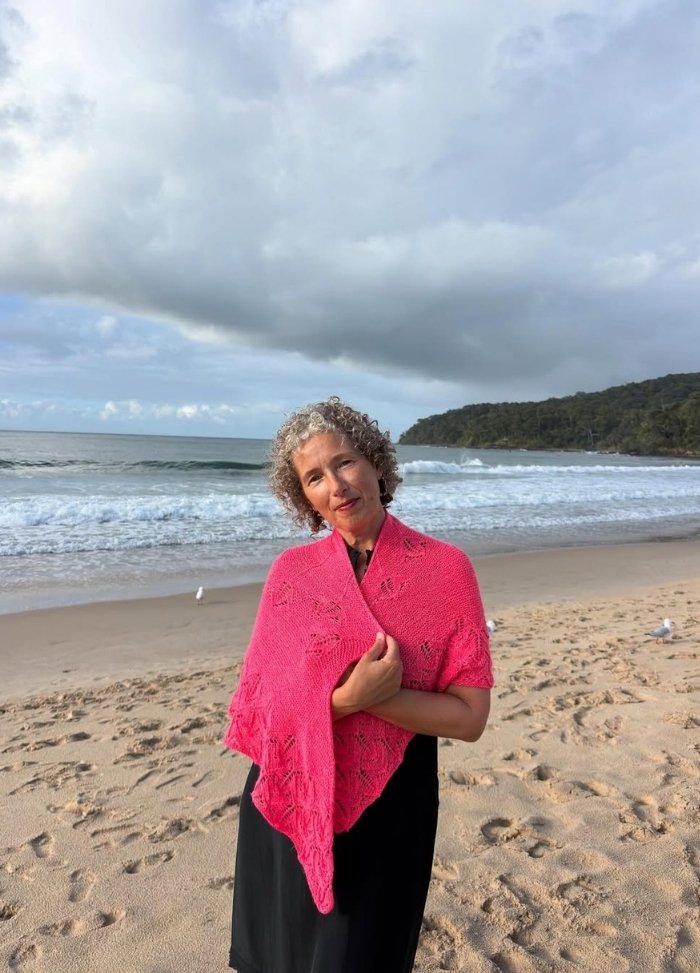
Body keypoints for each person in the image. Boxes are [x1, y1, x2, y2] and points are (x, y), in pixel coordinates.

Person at [224, 397, 493, 973]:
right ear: (304, 499)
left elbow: (470, 718)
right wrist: (348, 701)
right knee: (278, 957)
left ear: (375, 463)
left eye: (343, 462)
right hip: (290, 790)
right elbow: (264, 708)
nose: (336, 485)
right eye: (313, 477)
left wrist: (384, 698)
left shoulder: (447, 570)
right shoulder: (290, 577)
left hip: (392, 805)